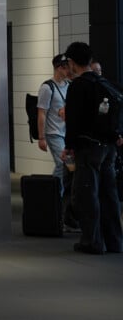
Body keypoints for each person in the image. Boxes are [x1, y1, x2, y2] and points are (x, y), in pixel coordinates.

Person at [62, 41, 123, 254]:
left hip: (88, 148)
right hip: (109, 147)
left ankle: (92, 242)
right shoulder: (105, 83)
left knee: (88, 194)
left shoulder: (79, 86)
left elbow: (74, 120)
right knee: (109, 194)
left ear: (72, 62)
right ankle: (114, 241)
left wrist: (69, 146)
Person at [36, 53, 78, 231]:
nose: (69, 70)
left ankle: (57, 199)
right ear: (60, 67)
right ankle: (54, 199)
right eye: (67, 67)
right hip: (54, 134)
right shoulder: (47, 87)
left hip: (66, 133)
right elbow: (41, 113)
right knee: (64, 165)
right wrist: (41, 137)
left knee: (69, 168)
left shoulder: (69, 85)